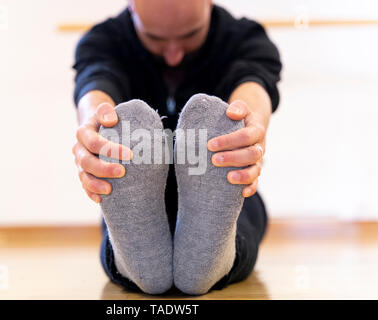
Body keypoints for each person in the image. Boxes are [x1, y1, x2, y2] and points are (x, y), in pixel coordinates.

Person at [72, 0, 281, 295]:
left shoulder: (244, 38)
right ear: (132, 6)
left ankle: (204, 259)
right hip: (136, 195)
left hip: (225, 192)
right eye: (155, 39)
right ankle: (194, 258)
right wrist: (94, 126)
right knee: (125, 226)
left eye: (190, 36)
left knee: (238, 215)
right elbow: (95, 81)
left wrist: (247, 126)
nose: (173, 55)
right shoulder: (105, 40)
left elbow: (253, 81)